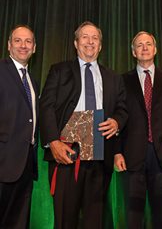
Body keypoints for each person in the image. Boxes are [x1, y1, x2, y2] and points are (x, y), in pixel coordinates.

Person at [39, 21, 127, 229]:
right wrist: (52, 141)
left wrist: (116, 121)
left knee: (94, 219)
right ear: (76, 43)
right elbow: (46, 106)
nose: (90, 42)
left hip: (100, 155)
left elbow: (123, 109)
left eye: (95, 38)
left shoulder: (114, 77)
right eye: (85, 37)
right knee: (65, 218)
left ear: (101, 45)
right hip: (66, 154)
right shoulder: (59, 70)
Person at [114, 31, 162, 229]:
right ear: (133, 52)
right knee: (133, 215)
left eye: (148, 44)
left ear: (155, 49)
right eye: (139, 45)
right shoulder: (121, 81)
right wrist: (117, 151)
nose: (144, 48)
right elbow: (116, 117)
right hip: (132, 156)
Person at [0, 25, 38, 229]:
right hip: (3, 163)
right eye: (18, 40)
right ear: (8, 45)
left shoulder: (33, 80)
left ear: (34, 47)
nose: (23, 45)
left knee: (18, 223)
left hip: (25, 166)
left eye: (28, 41)